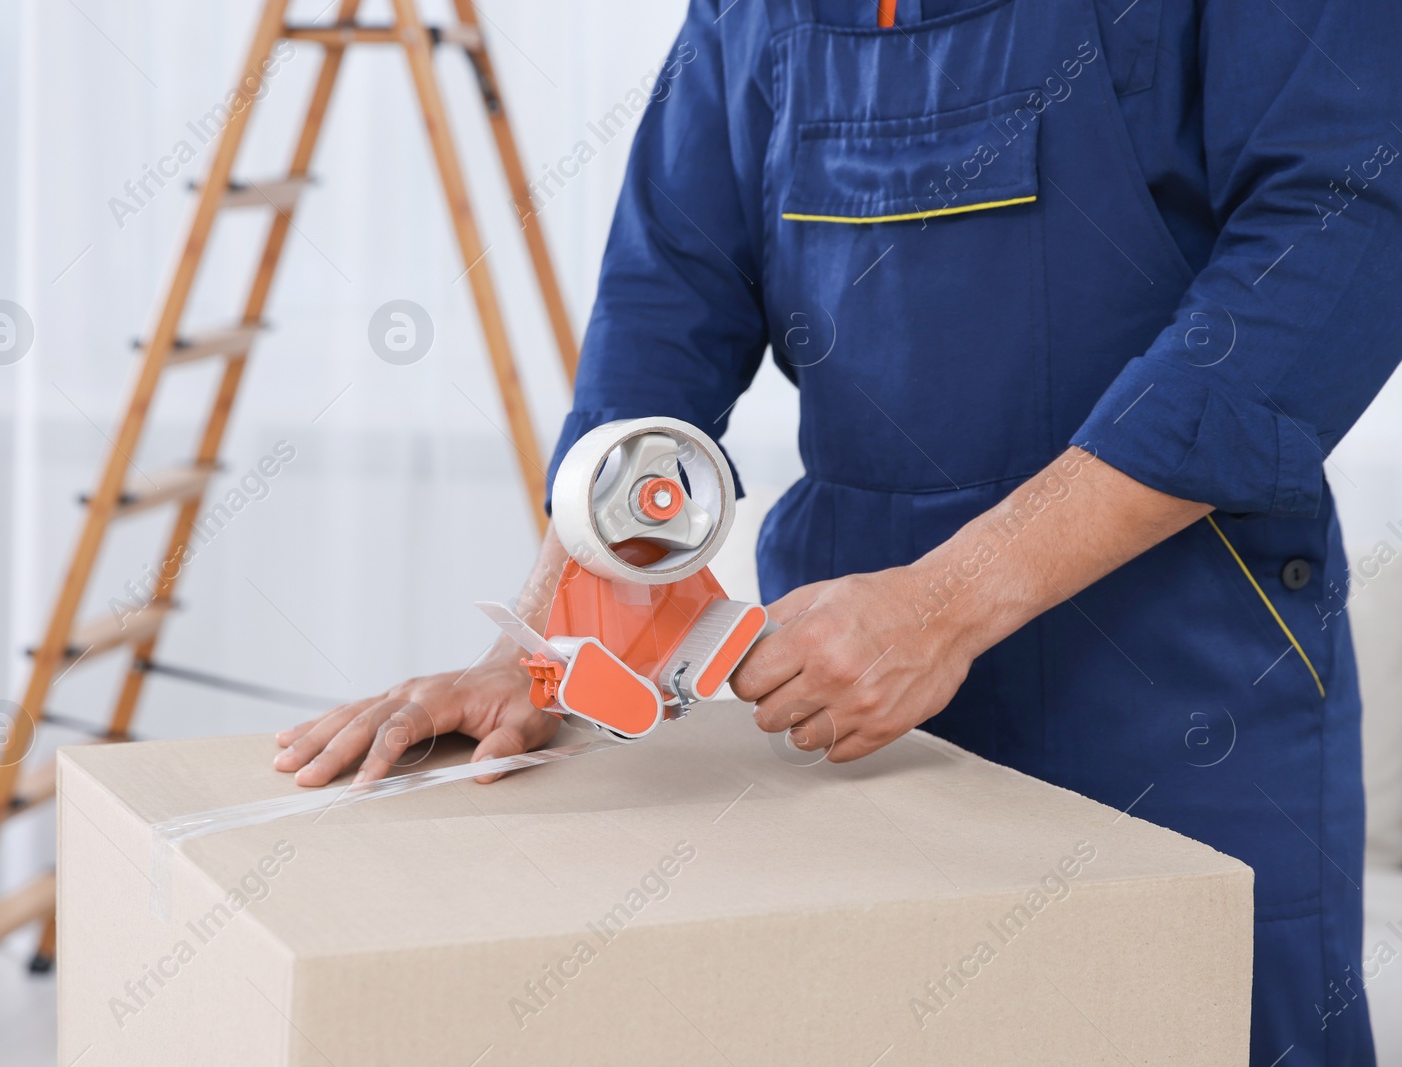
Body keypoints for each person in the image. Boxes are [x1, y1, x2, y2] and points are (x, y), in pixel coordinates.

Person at [275, 1, 1402, 1061]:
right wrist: (559, 629)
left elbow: (1336, 240)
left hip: (1175, 686)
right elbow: (667, 302)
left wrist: (948, 601)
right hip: (845, 712)